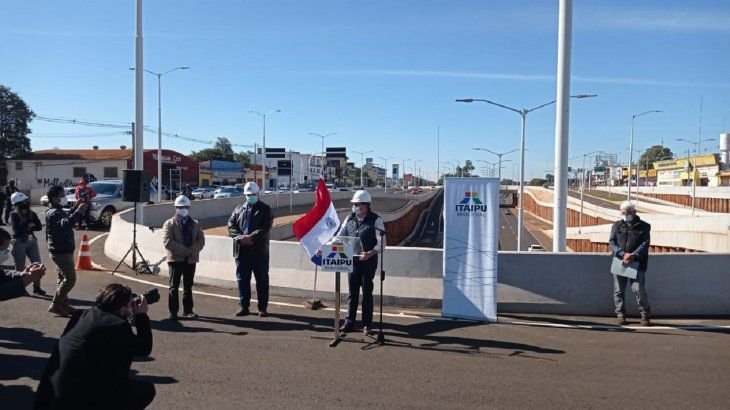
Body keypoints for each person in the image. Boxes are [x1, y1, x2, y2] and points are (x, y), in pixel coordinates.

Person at [35, 283, 155, 410]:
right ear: (122, 308)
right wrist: (141, 316)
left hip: (47, 398)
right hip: (79, 401)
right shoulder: (117, 325)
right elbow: (144, 348)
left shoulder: (79, 316)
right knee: (145, 390)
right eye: (130, 304)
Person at [334, 190, 386, 336]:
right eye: (354, 204)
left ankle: (367, 325)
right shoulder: (349, 219)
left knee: (367, 293)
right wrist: (325, 247)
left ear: (366, 205)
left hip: (368, 262)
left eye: (357, 204)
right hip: (353, 261)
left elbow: (382, 244)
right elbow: (339, 236)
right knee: (352, 292)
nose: (354, 207)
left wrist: (370, 253)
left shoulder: (376, 220)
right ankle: (349, 322)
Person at [228, 181, 273, 317]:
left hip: (259, 251)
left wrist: (251, 238)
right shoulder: (238, 209)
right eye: (248, 195)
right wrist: (240, 237)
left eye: (253, 194)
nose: (250, 196)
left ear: (258, 193)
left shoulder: (265, 209)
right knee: (242, 279)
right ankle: (244, 306)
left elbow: (265, 228)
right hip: (242, 250)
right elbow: (231, 224)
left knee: (262, 280)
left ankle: (262, 307)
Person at [45, 185, 88, 316]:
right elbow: (67, 224)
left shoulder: (55, 210)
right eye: (61, 195)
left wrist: (75, 207)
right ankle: (56, 303)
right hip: (61, 251)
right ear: (54, 197)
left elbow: (66, 217)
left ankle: (61, 305)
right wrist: (79, 211)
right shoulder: (54, 213)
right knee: (70, 279)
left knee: (62, 277)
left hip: (58, 249)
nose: (64, 197)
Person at [161, 195, 205, 320]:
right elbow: (168, 241)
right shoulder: (169, 224)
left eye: (185, 207)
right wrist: (185, 251)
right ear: (176, 208)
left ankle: (188, 310)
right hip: (175, 260)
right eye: (180, 207)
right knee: (173, 286)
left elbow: (200, 240)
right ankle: (173, 312)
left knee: (188, 286)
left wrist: (192, 251)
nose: (183, 209)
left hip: (190, 260)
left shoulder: (195, 224)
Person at [608, 201, 652, 326]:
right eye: (623, 213)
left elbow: (645, 244)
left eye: (628, 213)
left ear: (634, 212)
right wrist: (623, 254)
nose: (625, 215)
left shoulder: (644, 226)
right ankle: (620, 314)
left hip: (637, 263)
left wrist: (633, 255)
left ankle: (645, 315)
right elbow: (612, 243)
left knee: (639, 290)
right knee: (618, 291)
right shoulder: (616, 226)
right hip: (620, 262)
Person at [9, 192, 45, 295]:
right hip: (19, 242)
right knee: (20, 267)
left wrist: (28, 226)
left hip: (31, 240)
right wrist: (29, 225)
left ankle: (37, 287)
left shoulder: (31, 213)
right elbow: (17, 230)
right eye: (21, 202)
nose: (25, 204)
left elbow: (39, 226)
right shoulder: (14, 214)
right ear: (16, 204)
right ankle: (20, 288)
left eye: (25, 201)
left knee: (37, 264)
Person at [0, 229, 47, 301]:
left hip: (29, 238)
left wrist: (21, 274)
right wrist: (28, 279)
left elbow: (2, 274)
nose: (5, 253)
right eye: (1, 249)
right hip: (21, 240)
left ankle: (37, 288)